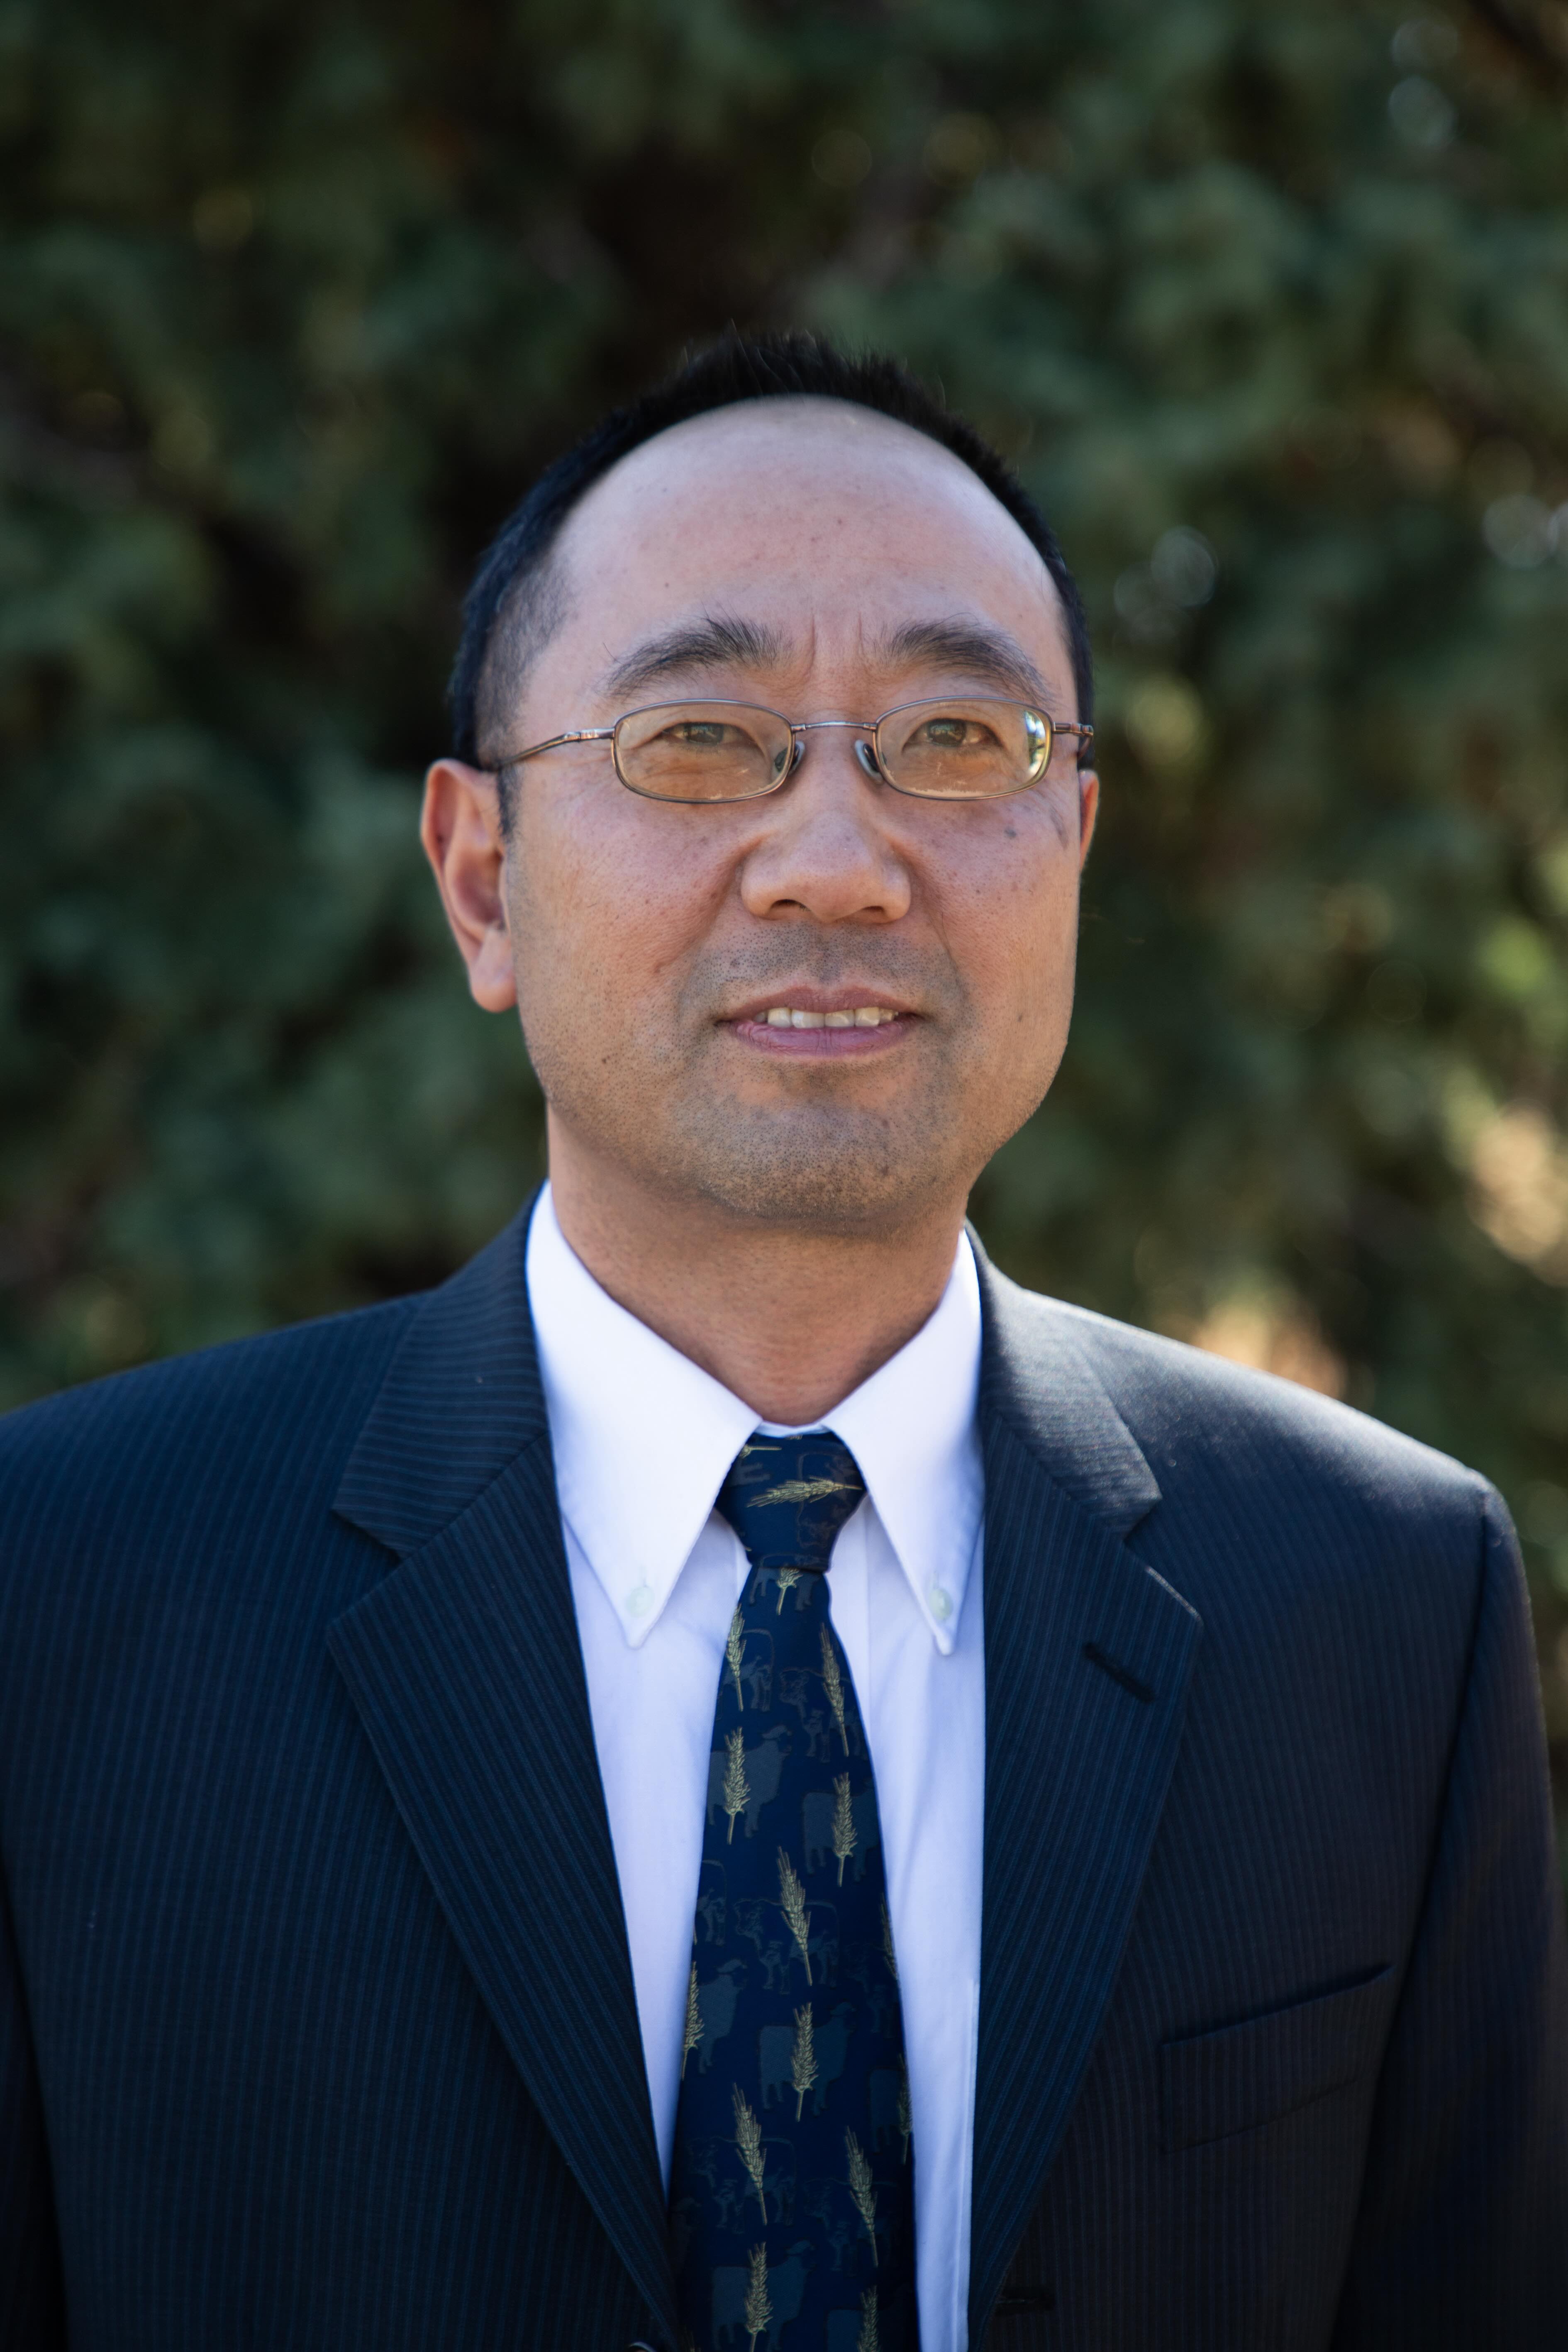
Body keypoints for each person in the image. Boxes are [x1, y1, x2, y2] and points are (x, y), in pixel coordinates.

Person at [0, 332, 1563, 2352]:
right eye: (701, 739)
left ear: (1074, 844)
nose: (836, 857)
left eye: (956, 738)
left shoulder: (1378, 1599)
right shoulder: (62, 1593)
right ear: (483, 880)